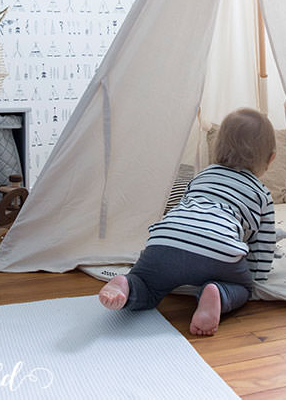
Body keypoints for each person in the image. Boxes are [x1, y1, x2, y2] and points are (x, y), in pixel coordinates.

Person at [99, 107, 276, 336]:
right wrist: (256, 278)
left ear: (217, 147)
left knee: (148, 285)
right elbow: (263, 245)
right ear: (271, 158)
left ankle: (127, 284)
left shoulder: (202, 176)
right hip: (218, 251)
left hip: (166, 242)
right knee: (242, 288)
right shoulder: (261, 194)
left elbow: (182, 209)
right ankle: (217, 294)